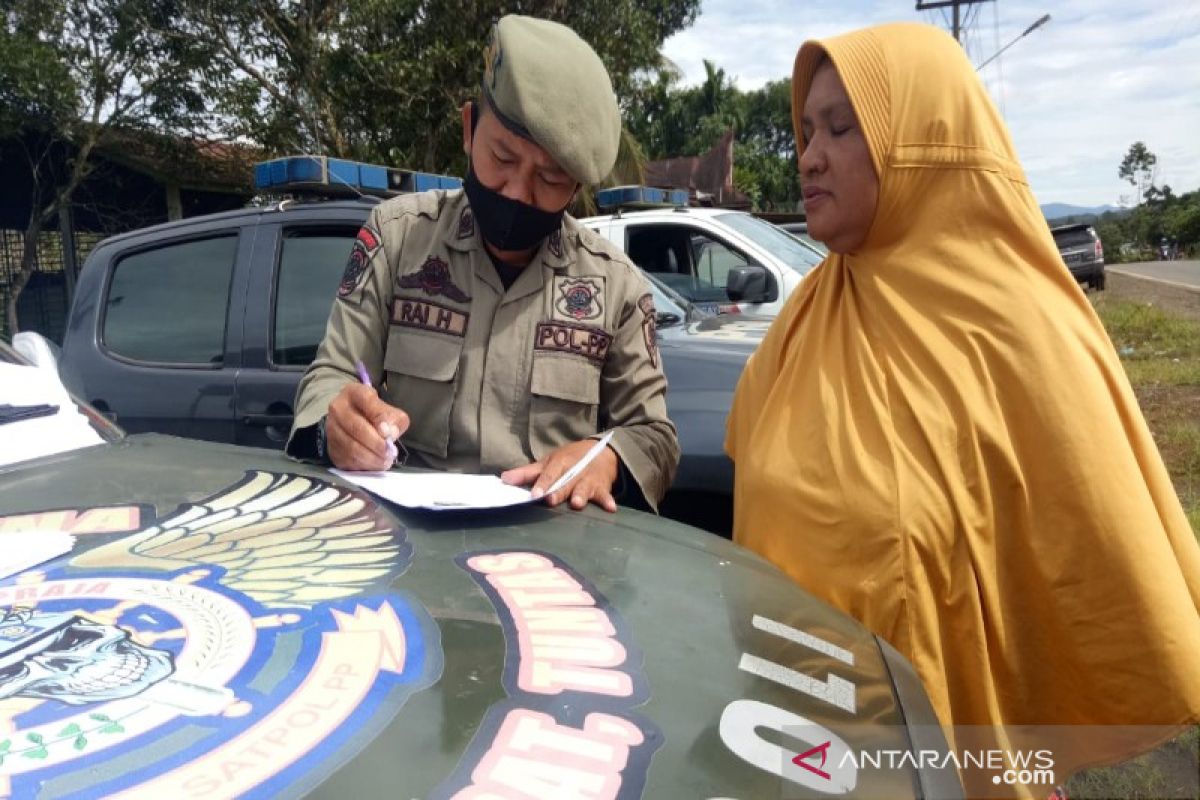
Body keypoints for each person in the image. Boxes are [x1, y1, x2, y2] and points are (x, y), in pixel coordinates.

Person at [725, 22, 1200, 795]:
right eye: (807, 129)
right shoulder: (807, 318)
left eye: (842, 128)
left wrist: (1027, 730)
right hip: (792, 743)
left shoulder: (1022, 332)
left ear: (924, 143)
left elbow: (1082, 577)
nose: (809, 154)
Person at [288, 14, 679, 512]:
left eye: (550, 178)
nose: (518, 192)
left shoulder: (616, 287)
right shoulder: (396, 238)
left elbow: (655, 437)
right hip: (408, 551)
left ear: (576, 189)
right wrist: (336, 422)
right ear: (469, 129)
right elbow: (332, 374)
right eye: (503, 157)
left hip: (549, 561)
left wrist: (607, 457)